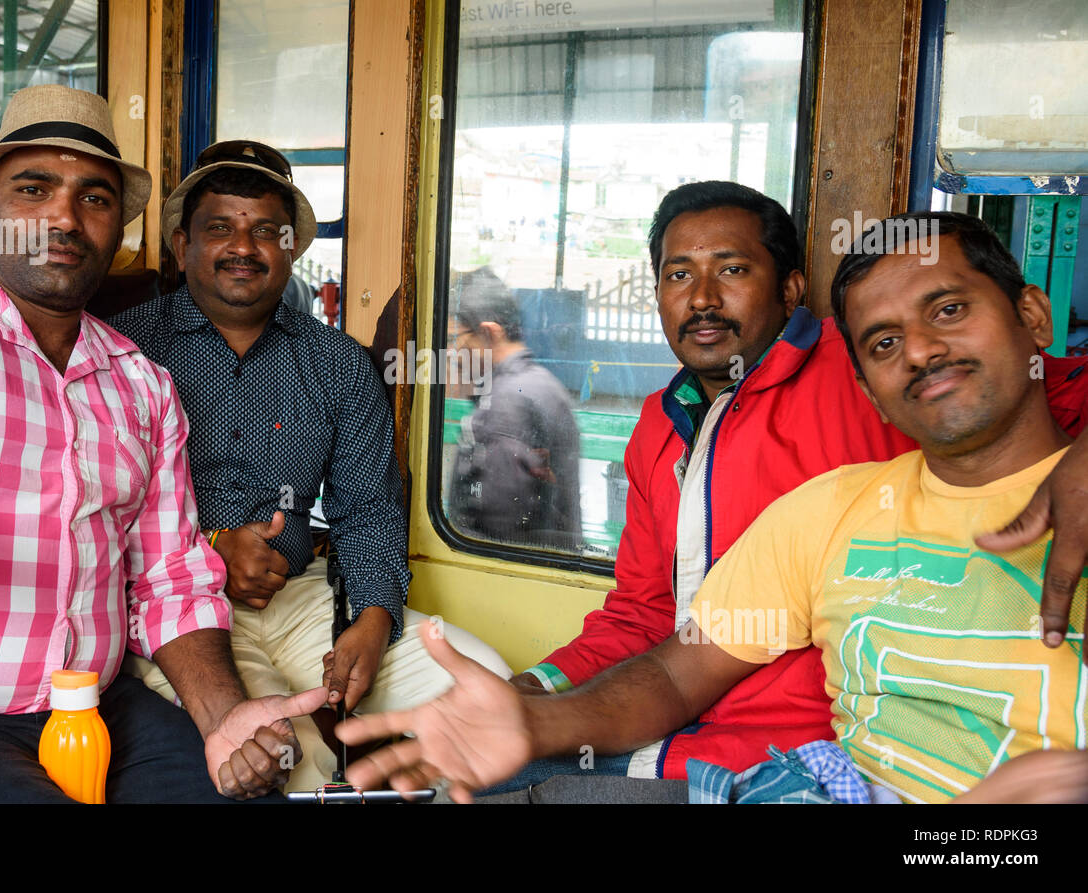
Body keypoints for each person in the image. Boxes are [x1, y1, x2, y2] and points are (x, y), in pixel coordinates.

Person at [340, 212, 1088, 804]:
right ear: (869, 381)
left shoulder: (829, 370)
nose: (920, 352)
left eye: (950, 309)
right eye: (886, 342)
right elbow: (662, 652)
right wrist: (532, 705)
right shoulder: (791, 492)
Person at [0, 86, 324, 803]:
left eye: (95, 198)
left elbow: (172, 580)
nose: (64, 218)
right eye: (34, 188)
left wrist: (223, 716)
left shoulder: (143, 382)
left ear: (117, 226)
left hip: (94, 708)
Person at [108, 140, 510, 793]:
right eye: (220, 228)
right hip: (177, 611)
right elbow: (90, 512)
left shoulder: (338, 363)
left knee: (484, 681)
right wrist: (212, 545)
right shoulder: (124, 349)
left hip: (301, 595)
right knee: (286, 755)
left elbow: (370, 509)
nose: (244, 245)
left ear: (291, 248)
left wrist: (376, 614)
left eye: (267, 229)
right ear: (182, 248)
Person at [447, 267, 581, 550]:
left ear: (488, 333)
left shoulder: (506, 403)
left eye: (455, 340)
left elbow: (499, 525)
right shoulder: (540, 383)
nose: (453, 354)